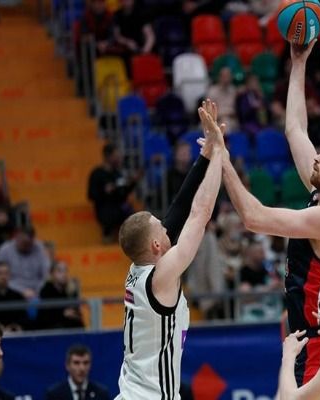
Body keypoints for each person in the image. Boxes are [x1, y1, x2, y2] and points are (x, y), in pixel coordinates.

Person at [217, 40, 320, 399]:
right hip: (309, 338)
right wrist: (298, 62)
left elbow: (254, 217)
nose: (317, 156)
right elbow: (295, 129)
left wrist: (221, 158)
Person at [114, 100, 225, 399]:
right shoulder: (160, 278)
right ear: (156, 245)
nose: (166, 227)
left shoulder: (139, 269)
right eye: (160, 228)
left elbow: (179, 207)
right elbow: (200, 214)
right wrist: (219, 153)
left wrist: (205, 153)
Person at [87, 143, 138, 242]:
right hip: (104, 208)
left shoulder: (117, 173)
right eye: (116, 156)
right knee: (110, 213)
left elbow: (123, 194)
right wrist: (104, 191)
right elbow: (91, 195)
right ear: (108, 156)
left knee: (132, 214)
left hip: (119, 206)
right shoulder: (97, 174)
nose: (118, 158)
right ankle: (108, 235)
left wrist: (133, 183)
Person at [0, 226, 51, 300]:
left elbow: (46, 275)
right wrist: (22, 291)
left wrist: (37, 291)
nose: (25, 246)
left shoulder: (40, 248)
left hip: (37, 290)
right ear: (16, 238)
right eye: (23, 243)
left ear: (33, 240)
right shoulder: (4, 250)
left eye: (28, 243)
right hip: (12, 291)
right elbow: (0, 277)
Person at [38, 261, 84, 330]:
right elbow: (46, 315)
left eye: (65, 271)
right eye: (59, 271)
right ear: (52, 274)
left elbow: (77, 314)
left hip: (70, 326)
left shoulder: (70, 289)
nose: (64, 274)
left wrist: (74, 293)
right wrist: (63, 313)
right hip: (52, 327)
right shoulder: (46, 290)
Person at [0, 262, 27, 332]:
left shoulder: (18, 296)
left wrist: (15, 326)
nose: (3, 277)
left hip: (14, 334)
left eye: (6, 273)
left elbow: (24, 319)